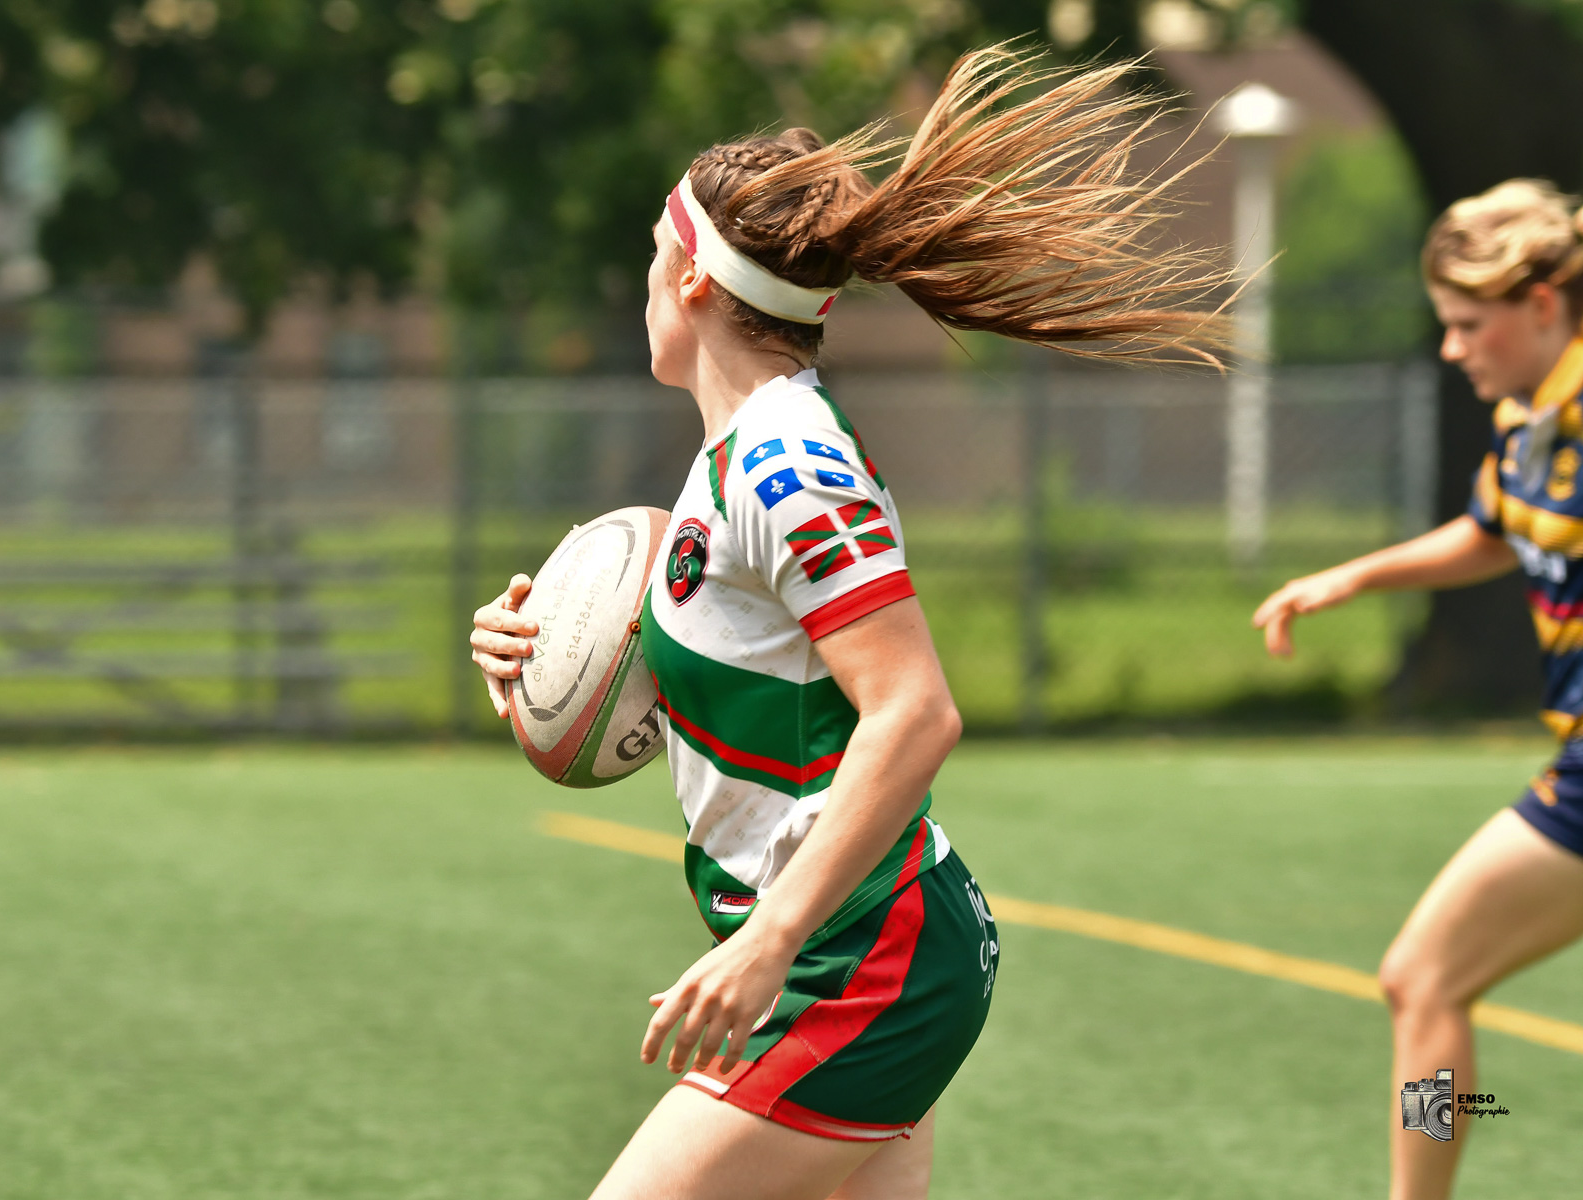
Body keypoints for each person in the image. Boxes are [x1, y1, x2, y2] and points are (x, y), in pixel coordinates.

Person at [472, 46, 1227, 1200]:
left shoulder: (787, 465)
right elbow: (720, 700)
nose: (639, 279)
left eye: (650, 254)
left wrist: (767, 944)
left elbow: (915, 713)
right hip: (860, 949)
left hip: (859, 965)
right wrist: (535, 673)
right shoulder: (741, 452)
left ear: (691, 281)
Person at [1253, 179, 1583, 1200]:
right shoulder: (1531, 419)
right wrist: (1357, 575)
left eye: (1466, 325)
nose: (1452, 350)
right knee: (1424, 980)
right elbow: (1494, 529)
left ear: (1539, 306)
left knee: (1424, 977)